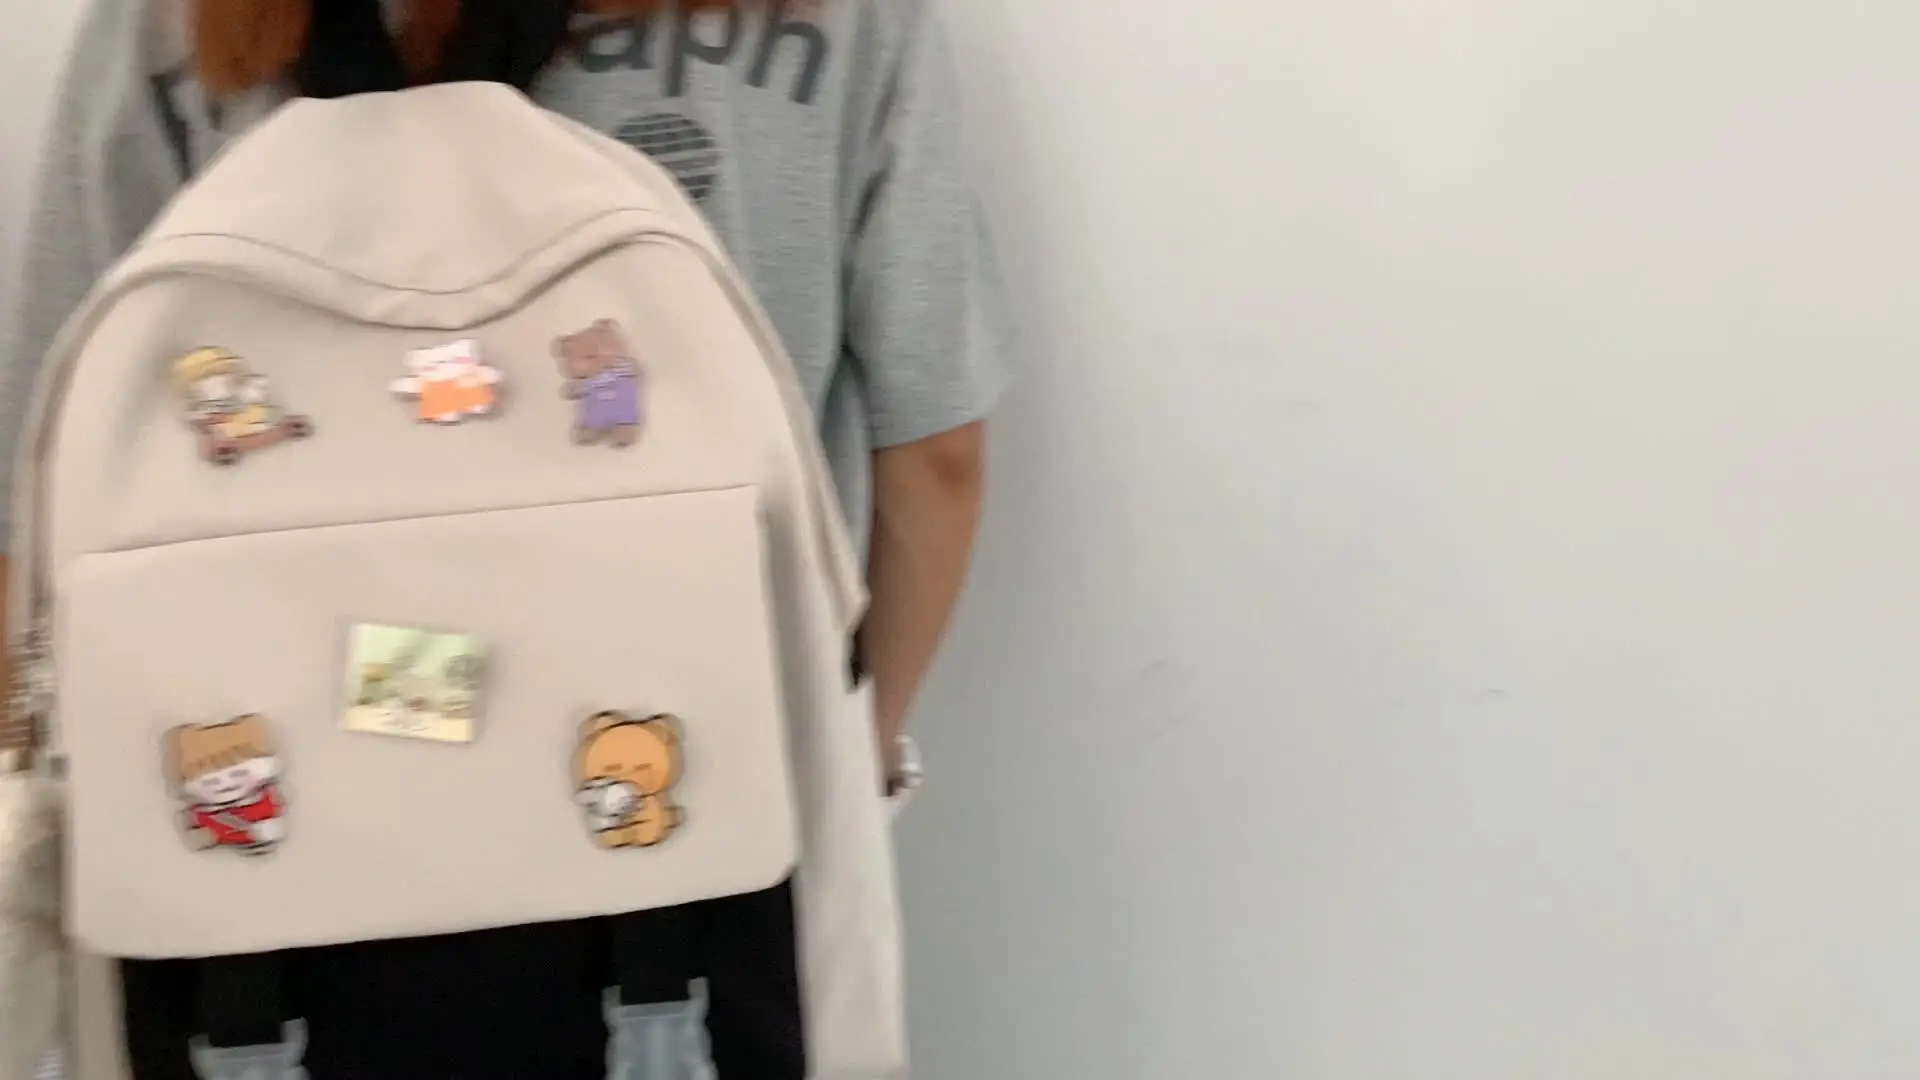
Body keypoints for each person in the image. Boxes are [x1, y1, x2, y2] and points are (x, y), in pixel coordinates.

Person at [0, 0, 1004, 1076]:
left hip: (250, 907)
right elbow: (937, 456)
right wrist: (846, 765)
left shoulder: (157, 22)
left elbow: (42, 506)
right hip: (686, 865)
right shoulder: (849, 17)